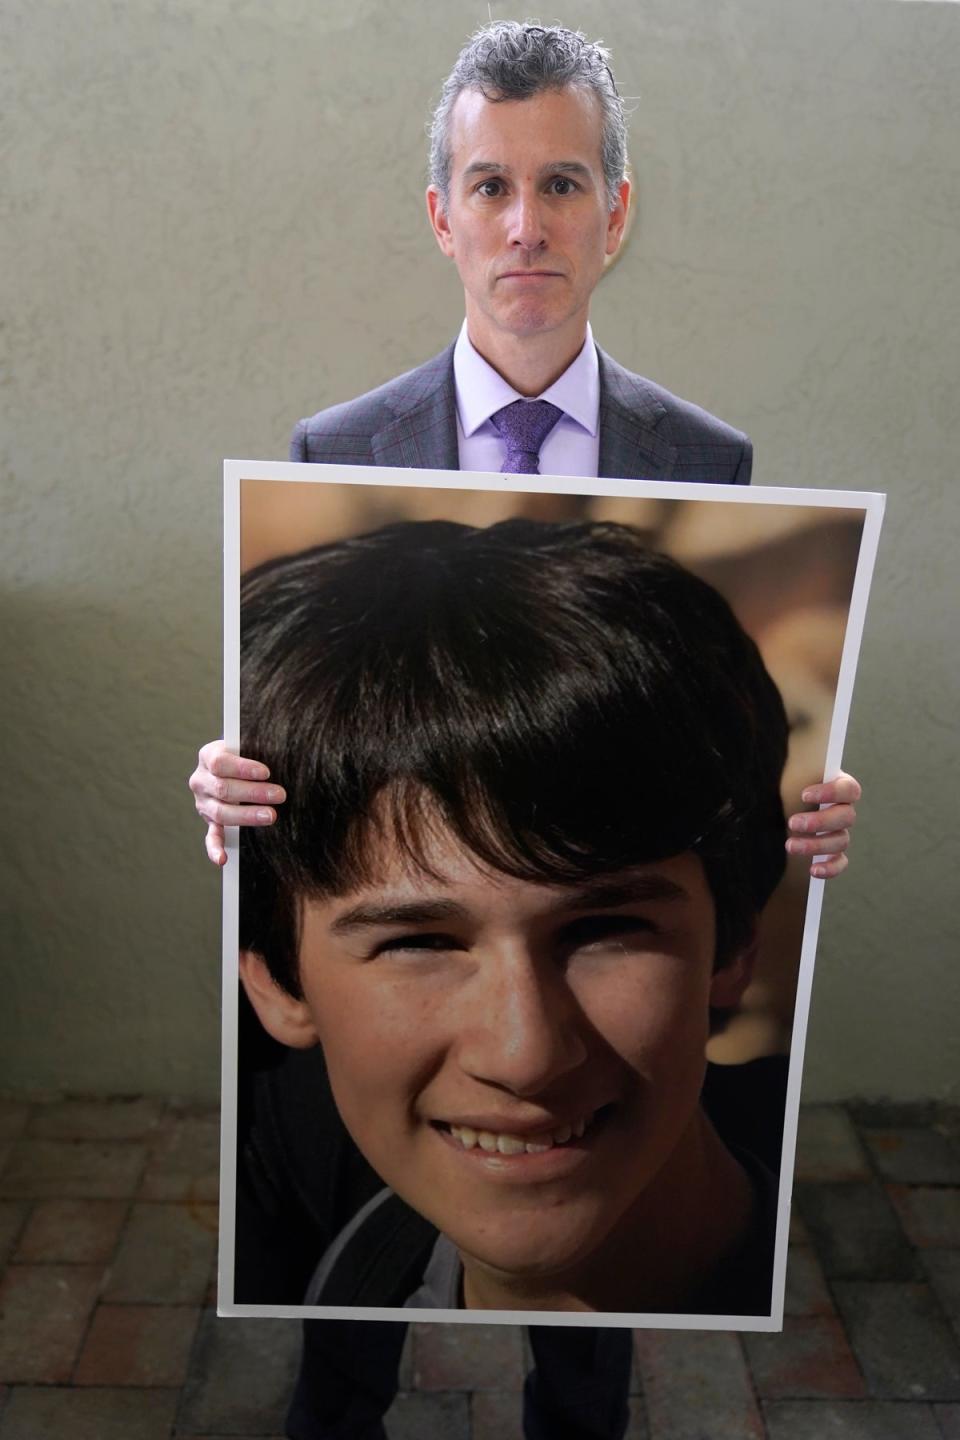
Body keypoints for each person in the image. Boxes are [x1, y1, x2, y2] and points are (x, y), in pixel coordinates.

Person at [189, 21, 861, 1440]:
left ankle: (581, 1403)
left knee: (593, 1286)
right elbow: (309, 738)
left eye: (561, 185)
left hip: (596, 901)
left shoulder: (705, 460)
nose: (526, 224)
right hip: (406, 928)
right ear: (442, 217)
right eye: (489, 186)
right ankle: (342, 1393)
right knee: (342, 1309)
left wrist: (803, 793)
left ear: (614, 214)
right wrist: (232, 778)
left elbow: (690, 739)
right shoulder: (335, 452)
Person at [237, 517, 789, 1319]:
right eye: (419, 942)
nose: (525, 1057)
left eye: (604, 930)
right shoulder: (297, 1201)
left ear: (735, 941)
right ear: (276, 982)